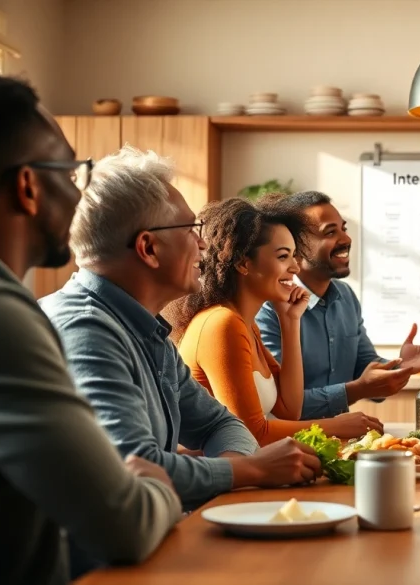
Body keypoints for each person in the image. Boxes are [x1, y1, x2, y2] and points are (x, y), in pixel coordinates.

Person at [0, 71, 181, 584]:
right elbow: (123, 522)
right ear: (28, 186)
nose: (81, 194)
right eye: (72, 172)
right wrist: (162, 489)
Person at [39, 146, 322, 509]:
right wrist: (248, 472)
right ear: (149, 248)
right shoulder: (85, 330)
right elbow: (132, 468)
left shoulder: (147, 330)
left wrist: (233, 467)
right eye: (191, 229)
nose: (204, 242)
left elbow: (221, 424)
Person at [163, 197, 385, 444]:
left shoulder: (245, 324)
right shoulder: (222, 323)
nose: (295, 268)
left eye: (293, 256)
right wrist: (335, 426)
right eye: (283, 257)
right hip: (215, 473)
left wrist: (290, 321)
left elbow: (290, 409)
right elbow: (249, 434)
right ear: (243, 263)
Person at [255, 191, 420, 419]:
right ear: (294, 248)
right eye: (330, 232)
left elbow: (365, 366)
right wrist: (357, 389)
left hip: (336, 442)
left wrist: (401, 365)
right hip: (283, 446)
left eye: (343, 229)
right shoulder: (270, 308)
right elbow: (279, 403)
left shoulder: (345, 296)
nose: (346, 239)